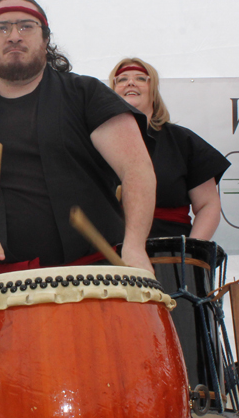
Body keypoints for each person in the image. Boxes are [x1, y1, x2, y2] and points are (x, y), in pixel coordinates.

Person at [0, 0, 156, 414]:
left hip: (91, 279)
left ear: (46, 40)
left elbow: (137, 171)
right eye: (1, 28)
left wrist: (134, 244)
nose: (14, 36)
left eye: (25, 27)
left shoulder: (86, 96)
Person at [109, 57, 231, 391]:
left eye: (140, 78)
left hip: (173, 255)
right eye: (122, 80)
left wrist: (188, 252)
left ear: (154, 90)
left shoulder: (181, 140)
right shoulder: (97, 145)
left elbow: (207, 205)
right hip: (113, 255)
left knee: (180, 353)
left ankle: (194, 394)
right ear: (111, 90)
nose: (131, 83)